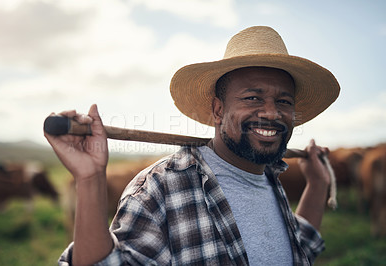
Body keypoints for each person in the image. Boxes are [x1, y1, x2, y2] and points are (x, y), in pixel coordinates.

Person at [45, 26, 340, 265]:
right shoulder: (161, 189)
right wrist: (90, 178)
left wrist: (317, 185)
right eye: (252, 98)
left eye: (284, 101)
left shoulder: (269, 178)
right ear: (218, 110)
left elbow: (297, 248)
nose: (271, 113)